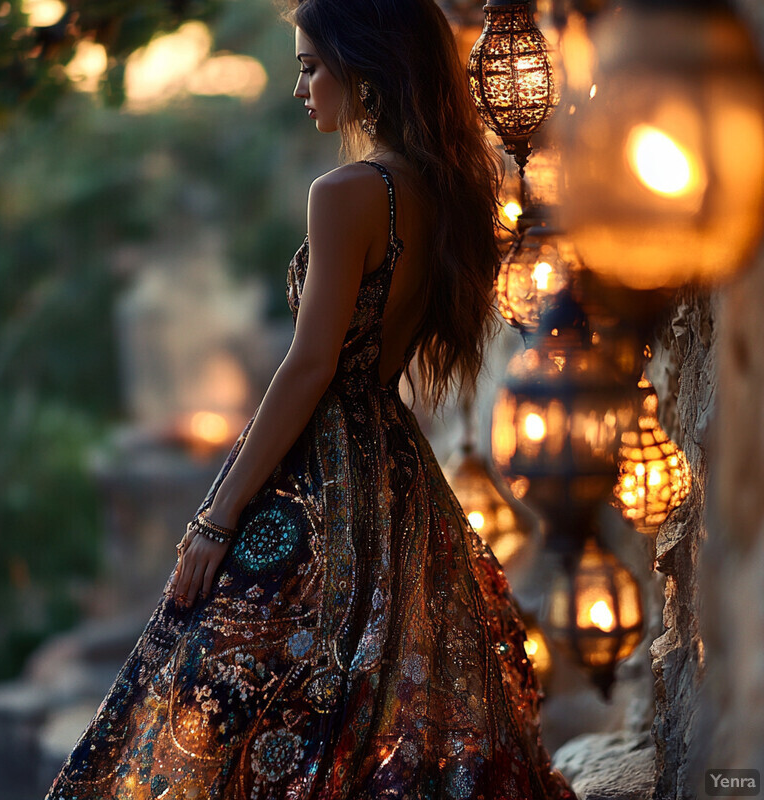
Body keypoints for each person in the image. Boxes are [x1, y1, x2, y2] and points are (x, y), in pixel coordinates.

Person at [45, 0, 578, 797]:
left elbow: (308, 366)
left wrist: (214, 519)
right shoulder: (444, 193)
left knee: (206, 695)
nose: (302, 88)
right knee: (351, 716)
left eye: (310, 68)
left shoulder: (346, 193)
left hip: (318, 484)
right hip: (397, 483)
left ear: (363, 71)